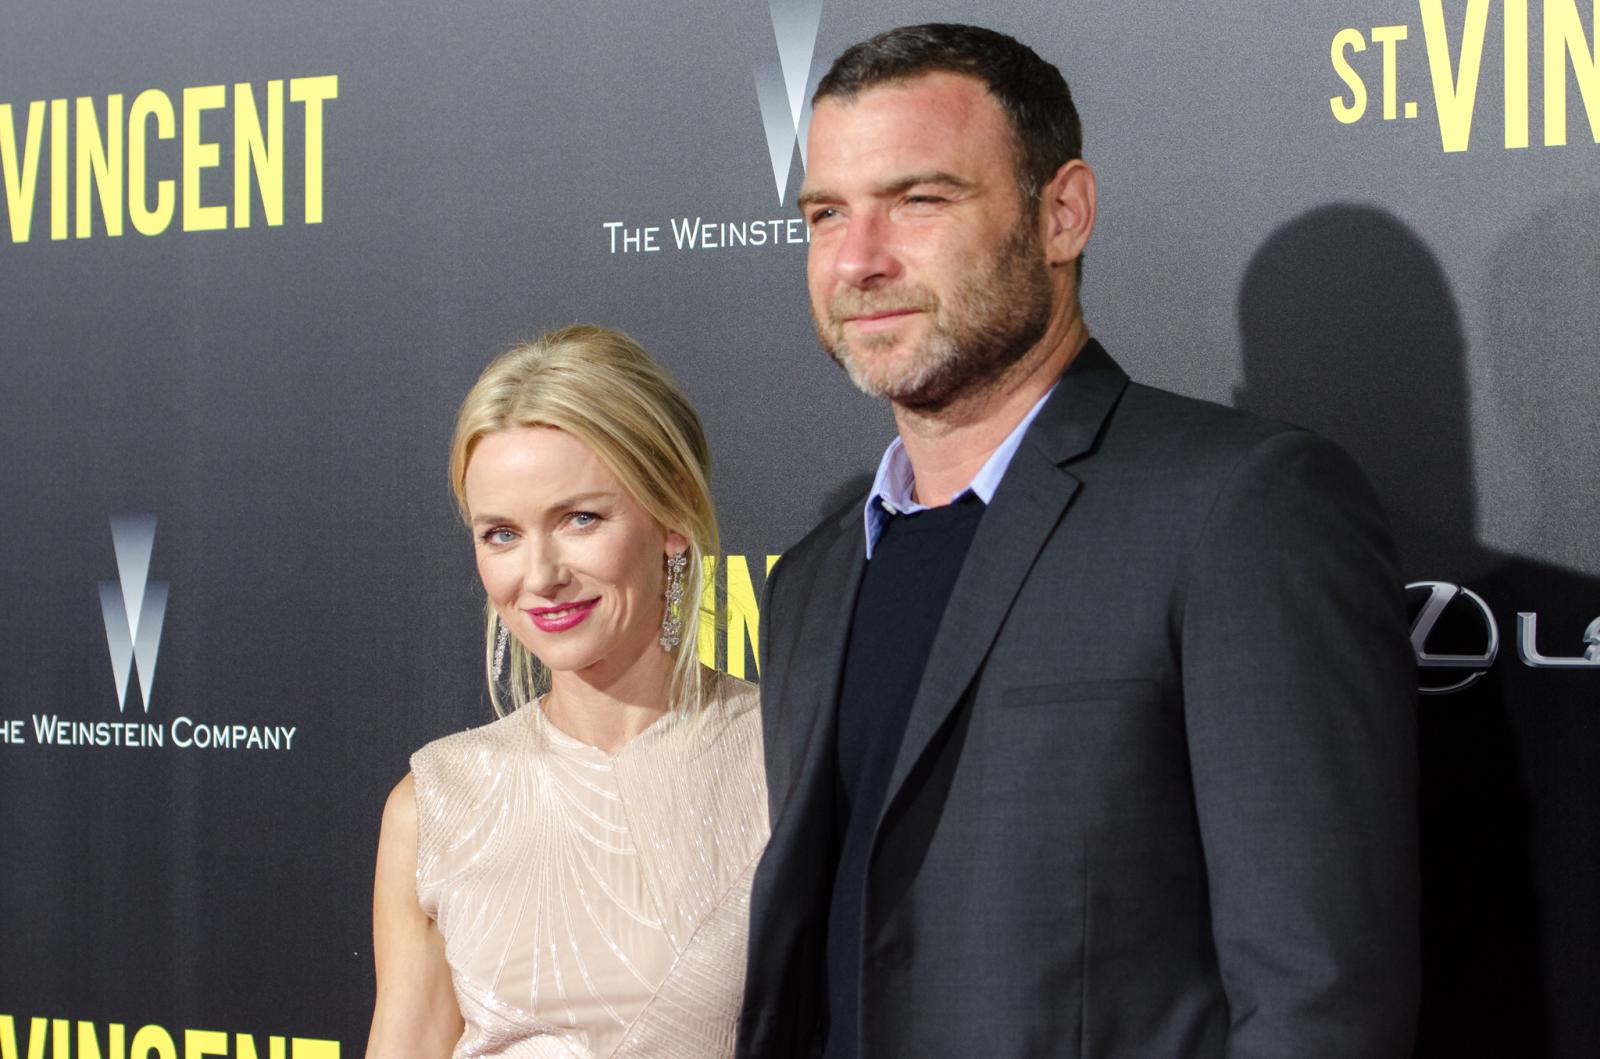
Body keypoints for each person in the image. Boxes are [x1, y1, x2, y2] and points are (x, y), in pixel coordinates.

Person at [737, 23, 1420, 1058]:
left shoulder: (1236, 509)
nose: (859, 259)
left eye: (919, 200)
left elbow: (1317, 996)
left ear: (1061, 215)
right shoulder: (811, 581)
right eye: (827, 213)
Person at [366, 325, 769, 1059]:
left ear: (673, 515)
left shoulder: (788, 762)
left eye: (580, 519)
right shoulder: (436, 804)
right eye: (501, 534)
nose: (541, 575)